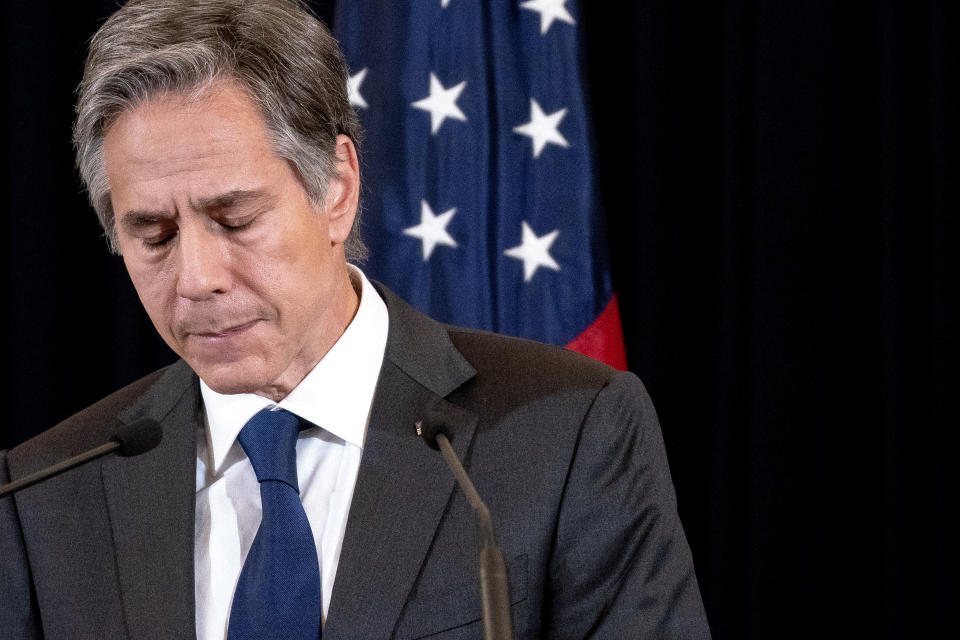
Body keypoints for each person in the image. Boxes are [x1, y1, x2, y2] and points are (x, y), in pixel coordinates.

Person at [0, 1, 711, 638]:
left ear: (337, 188)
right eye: (152, 235)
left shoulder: (566, 431)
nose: (196, 279)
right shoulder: (45, 493)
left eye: (235, 219)